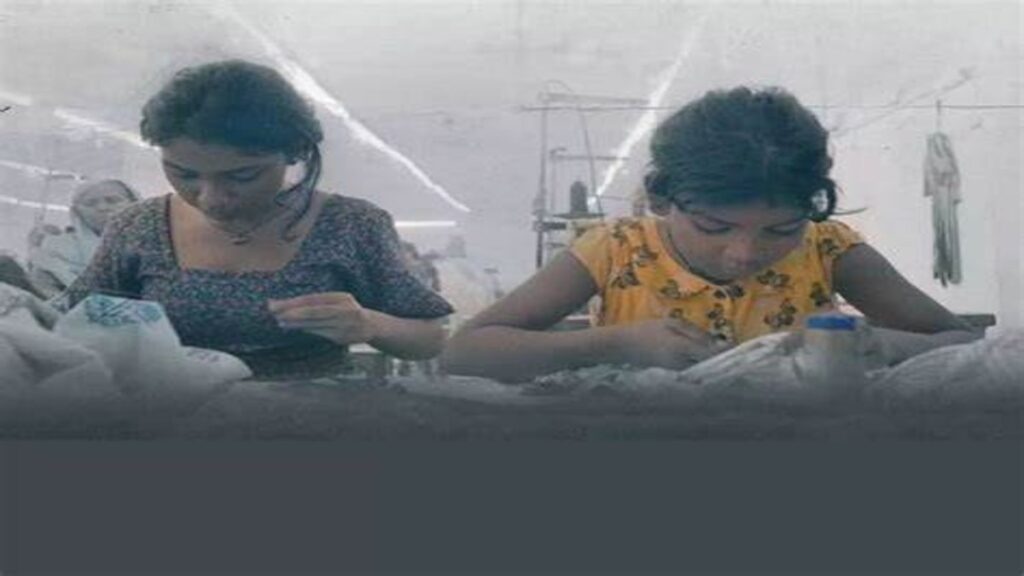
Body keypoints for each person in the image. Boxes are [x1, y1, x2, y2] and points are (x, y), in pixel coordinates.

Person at [442, 86, 979, 382]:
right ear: (662, 199)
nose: (744, 252)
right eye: (713, 227)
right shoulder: (615, 249)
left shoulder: (830, 248)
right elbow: (465, 353)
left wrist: (877, 343)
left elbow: (965, 345)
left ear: (811, 210)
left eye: (781, 229)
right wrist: (616, 343)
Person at [59, 60, 453, 379]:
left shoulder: (353, 225)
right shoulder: (137, 226)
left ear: (295, 152)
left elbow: (430, 338)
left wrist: (371, 324)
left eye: (242, 176)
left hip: (308, 423)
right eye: (184, 174)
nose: (211, 198)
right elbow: (71, 321)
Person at [27, 179, 140, 298]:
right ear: (77, 211)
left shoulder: (150, 247)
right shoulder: (55, 251)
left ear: (135, 205)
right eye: (90, 203)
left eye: (113, 200)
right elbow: (47, 299)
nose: (102, 207)